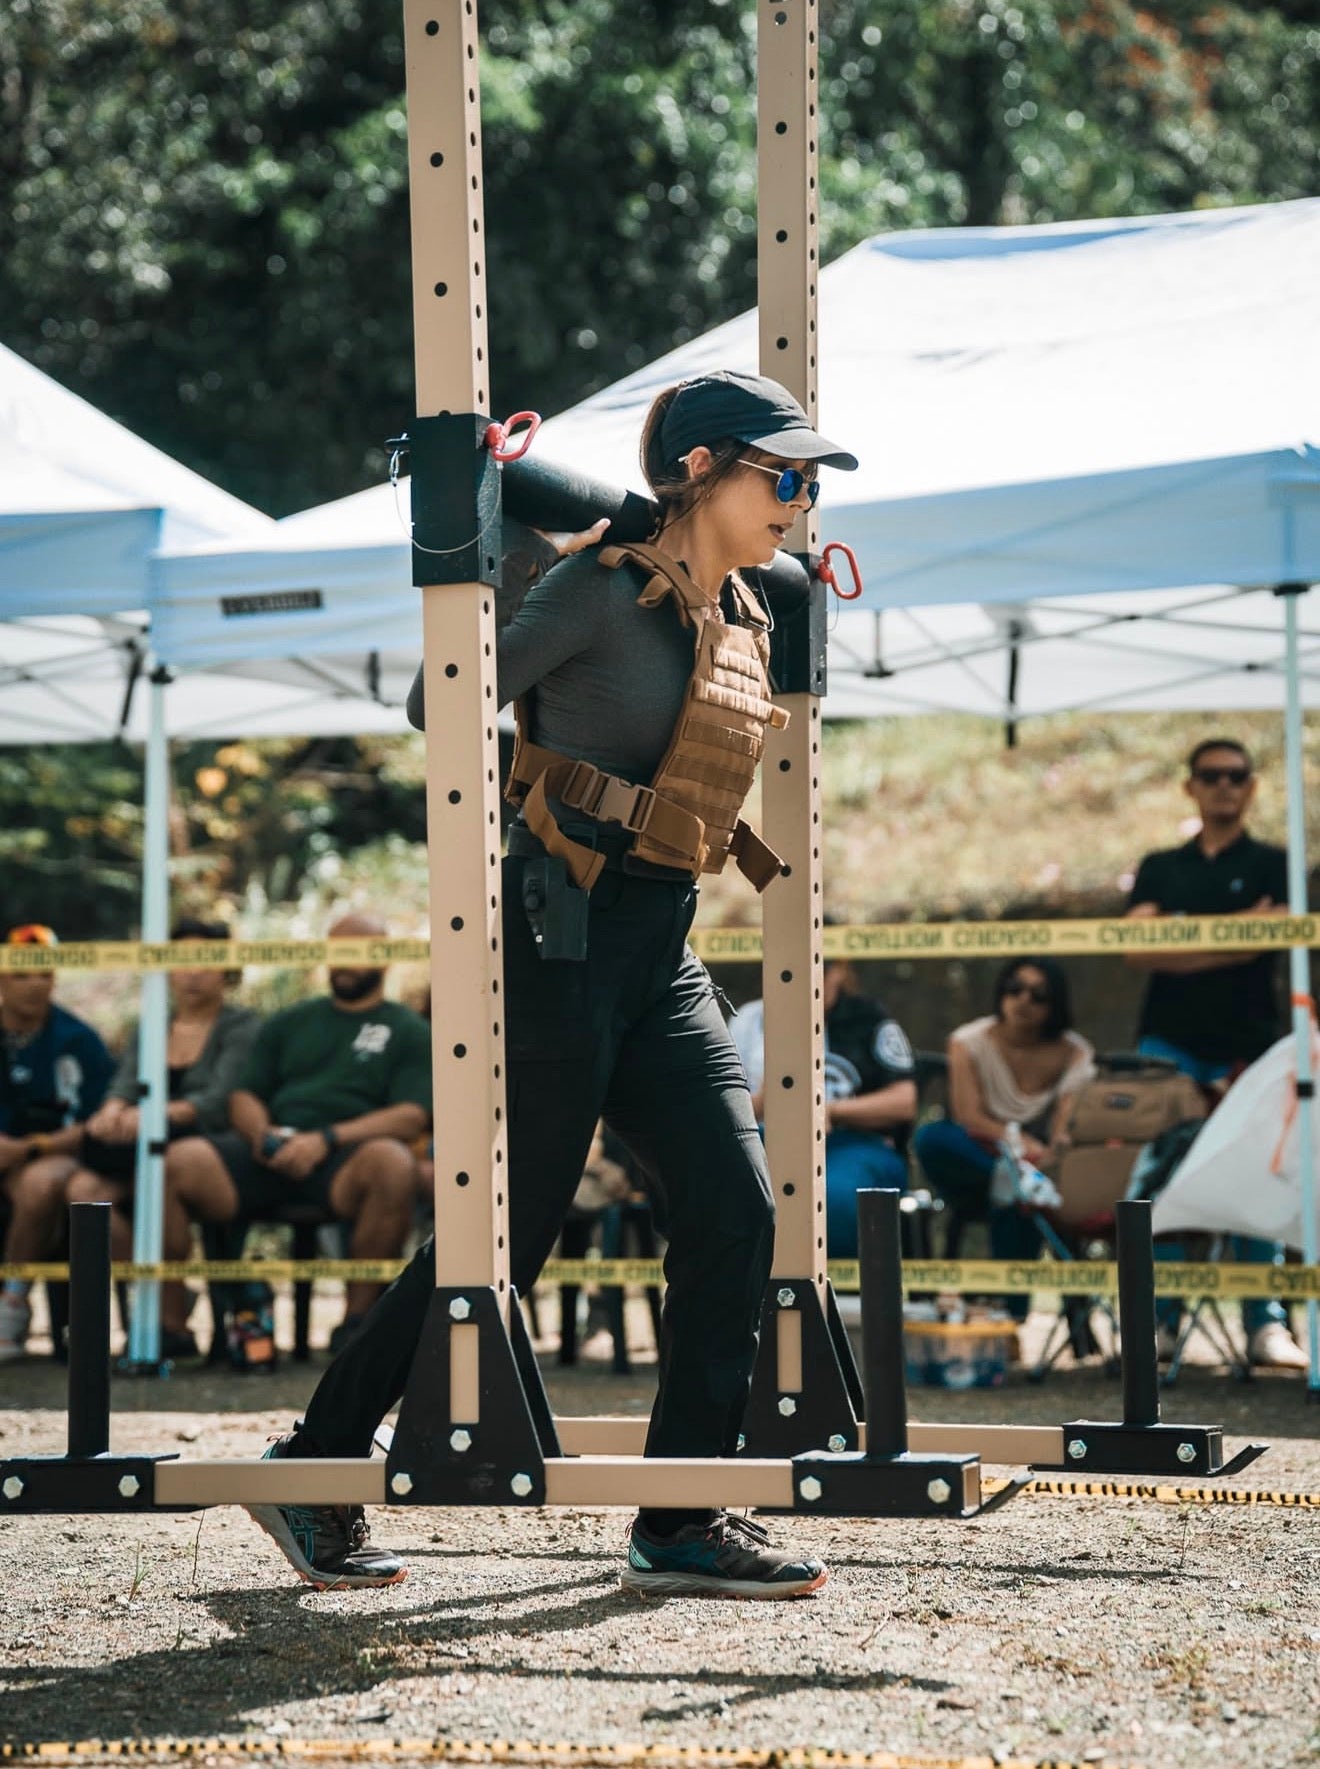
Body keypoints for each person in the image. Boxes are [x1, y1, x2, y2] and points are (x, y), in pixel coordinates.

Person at [244, 370, 858, 1599]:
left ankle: (681, 1515)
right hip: (555, 935)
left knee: (736, 1210)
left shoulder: (744, 606)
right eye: (782, 475)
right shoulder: (595, 590)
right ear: (700, 469)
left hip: (661, 949)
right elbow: (433, 703)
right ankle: (314, 1459)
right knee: (504, 1236)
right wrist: (522, 580)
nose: (799, 500)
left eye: (807, 481)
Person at [161, 911, 430, 1352]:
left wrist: (325, 1139)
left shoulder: (408, 1031)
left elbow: (410, 1116)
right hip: (269, 1151)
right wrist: (263, 1136)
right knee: (176, 1162)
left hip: (348, 1159)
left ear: (385, 957)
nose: (343, 962)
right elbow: (244, 1096)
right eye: (336, 951)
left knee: (394, 1164)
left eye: (357, 952)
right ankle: (169, 1329)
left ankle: (359, 1328)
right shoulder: (291, 1021)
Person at [1125, 735, 1306, 1370]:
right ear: (1190, 786)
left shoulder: (1276, 862)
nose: (1223, 785)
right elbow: (1136, 947)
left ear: (1251, 786)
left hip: (1252, 1046)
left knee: (1260, 1173)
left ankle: (1265, 1324)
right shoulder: (1160, 865)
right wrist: (1237, 942)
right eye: (1211, 775)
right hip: (1168, 1045)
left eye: (1235, 775)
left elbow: (1279, 933)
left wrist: (1180, 941)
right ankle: (1160, 1321)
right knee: (1163, 1177)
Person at [59, 916, 261, 1358]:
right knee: (83, 1190)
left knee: (167, 1175)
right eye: (182, 961)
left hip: (208, 1147)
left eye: (205, 961)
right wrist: (111, 1113)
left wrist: (151, 1116)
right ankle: (168, 1291)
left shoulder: (243, 1026)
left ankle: (170, 1322)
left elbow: (220, 1099)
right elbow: (123, 1084)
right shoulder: (153, 1024)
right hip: (139, 1149)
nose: (193, 973)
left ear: (226, 968)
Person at [912, 957, 1095, 1324]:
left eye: (1038, 995)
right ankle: (1011, 1182)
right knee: (933, 1138)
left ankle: (1013, 1314)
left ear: (1056, 1004)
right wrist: (1019, 1149)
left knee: (1015, 1197)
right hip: (979, 1153)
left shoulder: (1075, 1053)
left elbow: (1063, 1132)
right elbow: (969, 1117)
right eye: (1015, 988)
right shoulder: (967, 1041)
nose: (1023, 1000)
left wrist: (1038, 1157)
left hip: (1039, 1170)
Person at [729, 954, 917, 1256]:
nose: (807, 982)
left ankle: (833, 1282)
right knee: (727, 1188)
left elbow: (903, 1102)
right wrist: (768, 1100)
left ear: (839, 971)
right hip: (768, 1139)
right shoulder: (749, 1020)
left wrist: (829, 1110)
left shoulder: (867, 1017)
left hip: (853, 1143)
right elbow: (726, 1112)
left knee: (835, 1200)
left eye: (818, 969)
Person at [0, 924, 116, 1359]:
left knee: (43, 1182)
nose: (34, 984)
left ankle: (11, 1306)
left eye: (44, 974)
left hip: (57, 1157)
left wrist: (31, 1148)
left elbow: (98, 1120)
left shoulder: (78, 1039)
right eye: (22, 974)